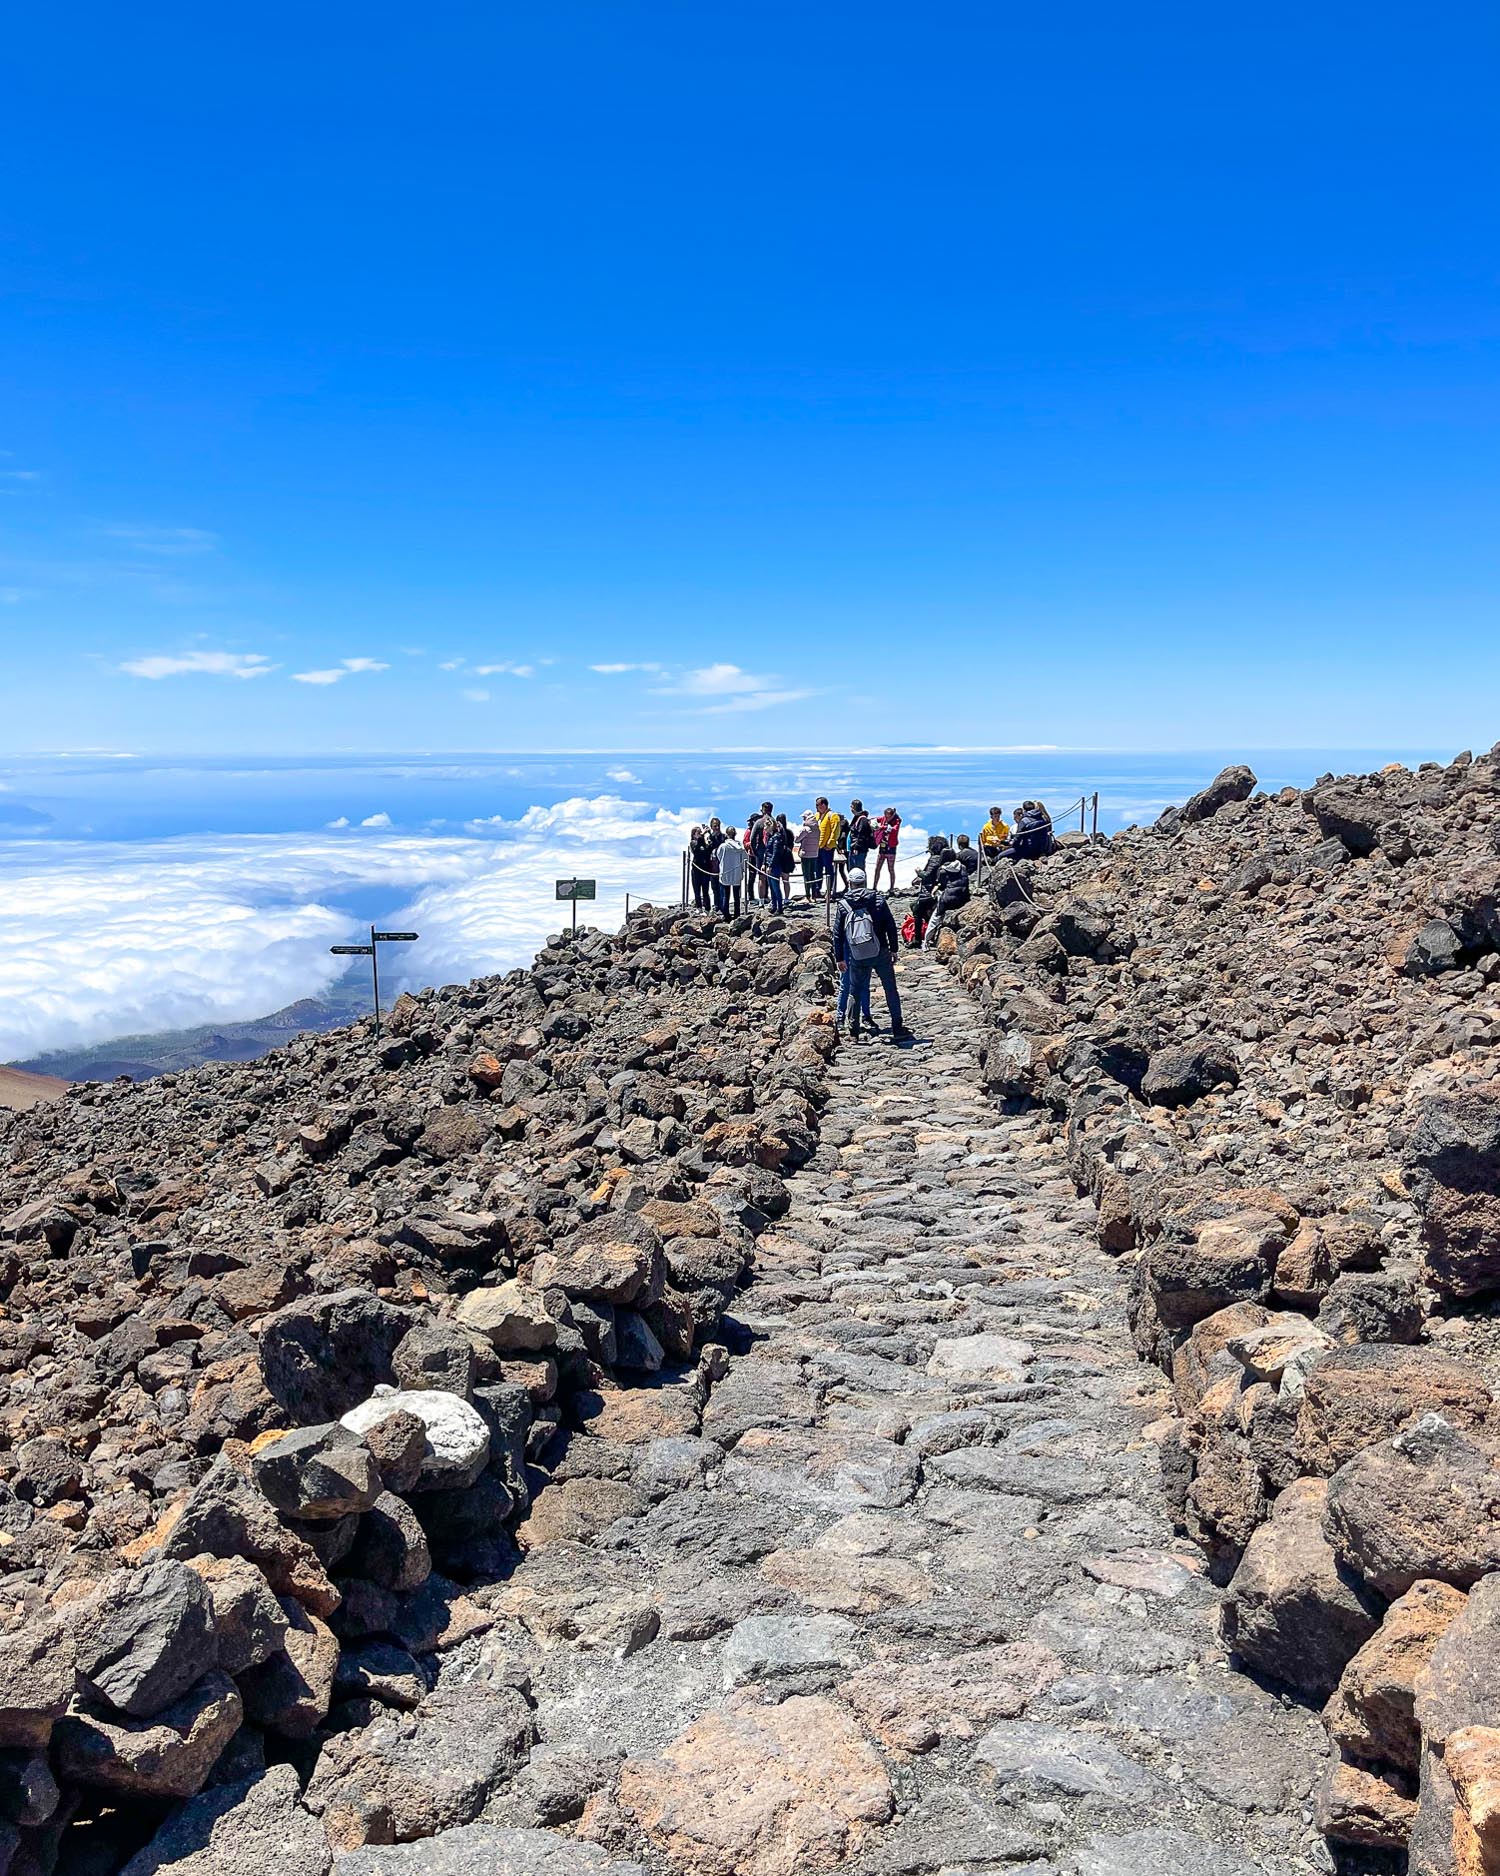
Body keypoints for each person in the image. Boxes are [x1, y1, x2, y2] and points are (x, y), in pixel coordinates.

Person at [832, 866, 911, 1043]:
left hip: (857, 954)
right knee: (890, 989)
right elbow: (890, 925)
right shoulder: (878, 900)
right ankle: (897, 1028)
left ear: (850, 883)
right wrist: (894, 949)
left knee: (855, 991)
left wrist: (839, 958)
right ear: (865, 881)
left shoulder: (844, 905)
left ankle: (853, 1032)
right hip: (881, 951)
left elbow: (837, 934)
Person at [923, 846, 972, 950]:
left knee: (935, 917)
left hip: (948, 899)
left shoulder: (942, 869)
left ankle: (926, 941)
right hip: (963, 897)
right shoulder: (962, 866)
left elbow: (942, 883)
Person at [908, 836, 949, 946]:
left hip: (928, 892)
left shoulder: (934, 858)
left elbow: (927, 875)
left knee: (917, 911)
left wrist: (918, 872)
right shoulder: (946, 857)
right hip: (941, 891)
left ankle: (917, 939)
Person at [715, 825, 746, 917]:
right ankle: (737, 914)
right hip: (737, 872)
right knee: (737, 895)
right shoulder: (740, 846)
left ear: (726, 835)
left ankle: (726, 915)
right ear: (735, 834)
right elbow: (745, 858)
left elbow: (719, 856)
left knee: (725, 895)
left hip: (726, 872)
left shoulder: (723, 846)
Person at [768, 813, 794, 912]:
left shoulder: (777, 835)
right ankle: (786, 899)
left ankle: (778, 903)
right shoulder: (789, 832)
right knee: (785, 880)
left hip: (781, 859)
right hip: (787, 858)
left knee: (777, 882)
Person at [872, 807, 901, 893]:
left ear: (892, 816)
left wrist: (882, 827)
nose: (887, 818)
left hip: (891, 847)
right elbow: (875, 819)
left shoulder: (897, 821)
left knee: (891, 869)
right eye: (886, 816)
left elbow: (894, 829)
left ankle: (891, 888)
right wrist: (872, 823)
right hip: (882, 847)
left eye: (888, 816)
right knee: (877, 868)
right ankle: (874, 887)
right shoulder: (883, 819)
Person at [815, 795, 839, 899]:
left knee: (828, 869)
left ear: (824, 805)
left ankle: (829, 891)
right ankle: (817, 890)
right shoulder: (817, 815)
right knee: (818, 869)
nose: (816, 807)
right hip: (817, 847)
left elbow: (835, 831)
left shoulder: (832, 815)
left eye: (818, 805)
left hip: (827, 848)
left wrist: (830, 844)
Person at [688, 825, 714, 911]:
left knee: (705, 891)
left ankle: (707, 908)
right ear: (693, 835)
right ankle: (698, 907)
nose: (700, 834)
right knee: (697, 890)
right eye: (698, 833)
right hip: (696, 870)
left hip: (705, 869)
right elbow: (696, 851)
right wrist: (702, 835)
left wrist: (709, 834)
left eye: (700, 833)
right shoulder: (693, 842)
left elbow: (708, 851)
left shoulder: (704, 842)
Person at [797, 810, 821, 898]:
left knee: (806, 876)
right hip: (814, 854)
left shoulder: (806, 829)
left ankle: (807, 896)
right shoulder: (817, 828)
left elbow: (797, 839)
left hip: (805, 854)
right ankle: (814, 895)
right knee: (813, 875)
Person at [847, 799, 874, 870]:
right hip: (854, 848)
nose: (851, 809)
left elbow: (861, 835)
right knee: (853, 871)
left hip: (859, 850)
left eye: (851, 807)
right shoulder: (857, 818)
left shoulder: (862, 819)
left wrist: (857, 848)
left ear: (854, 807)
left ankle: (862, 882)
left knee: (859, 871)